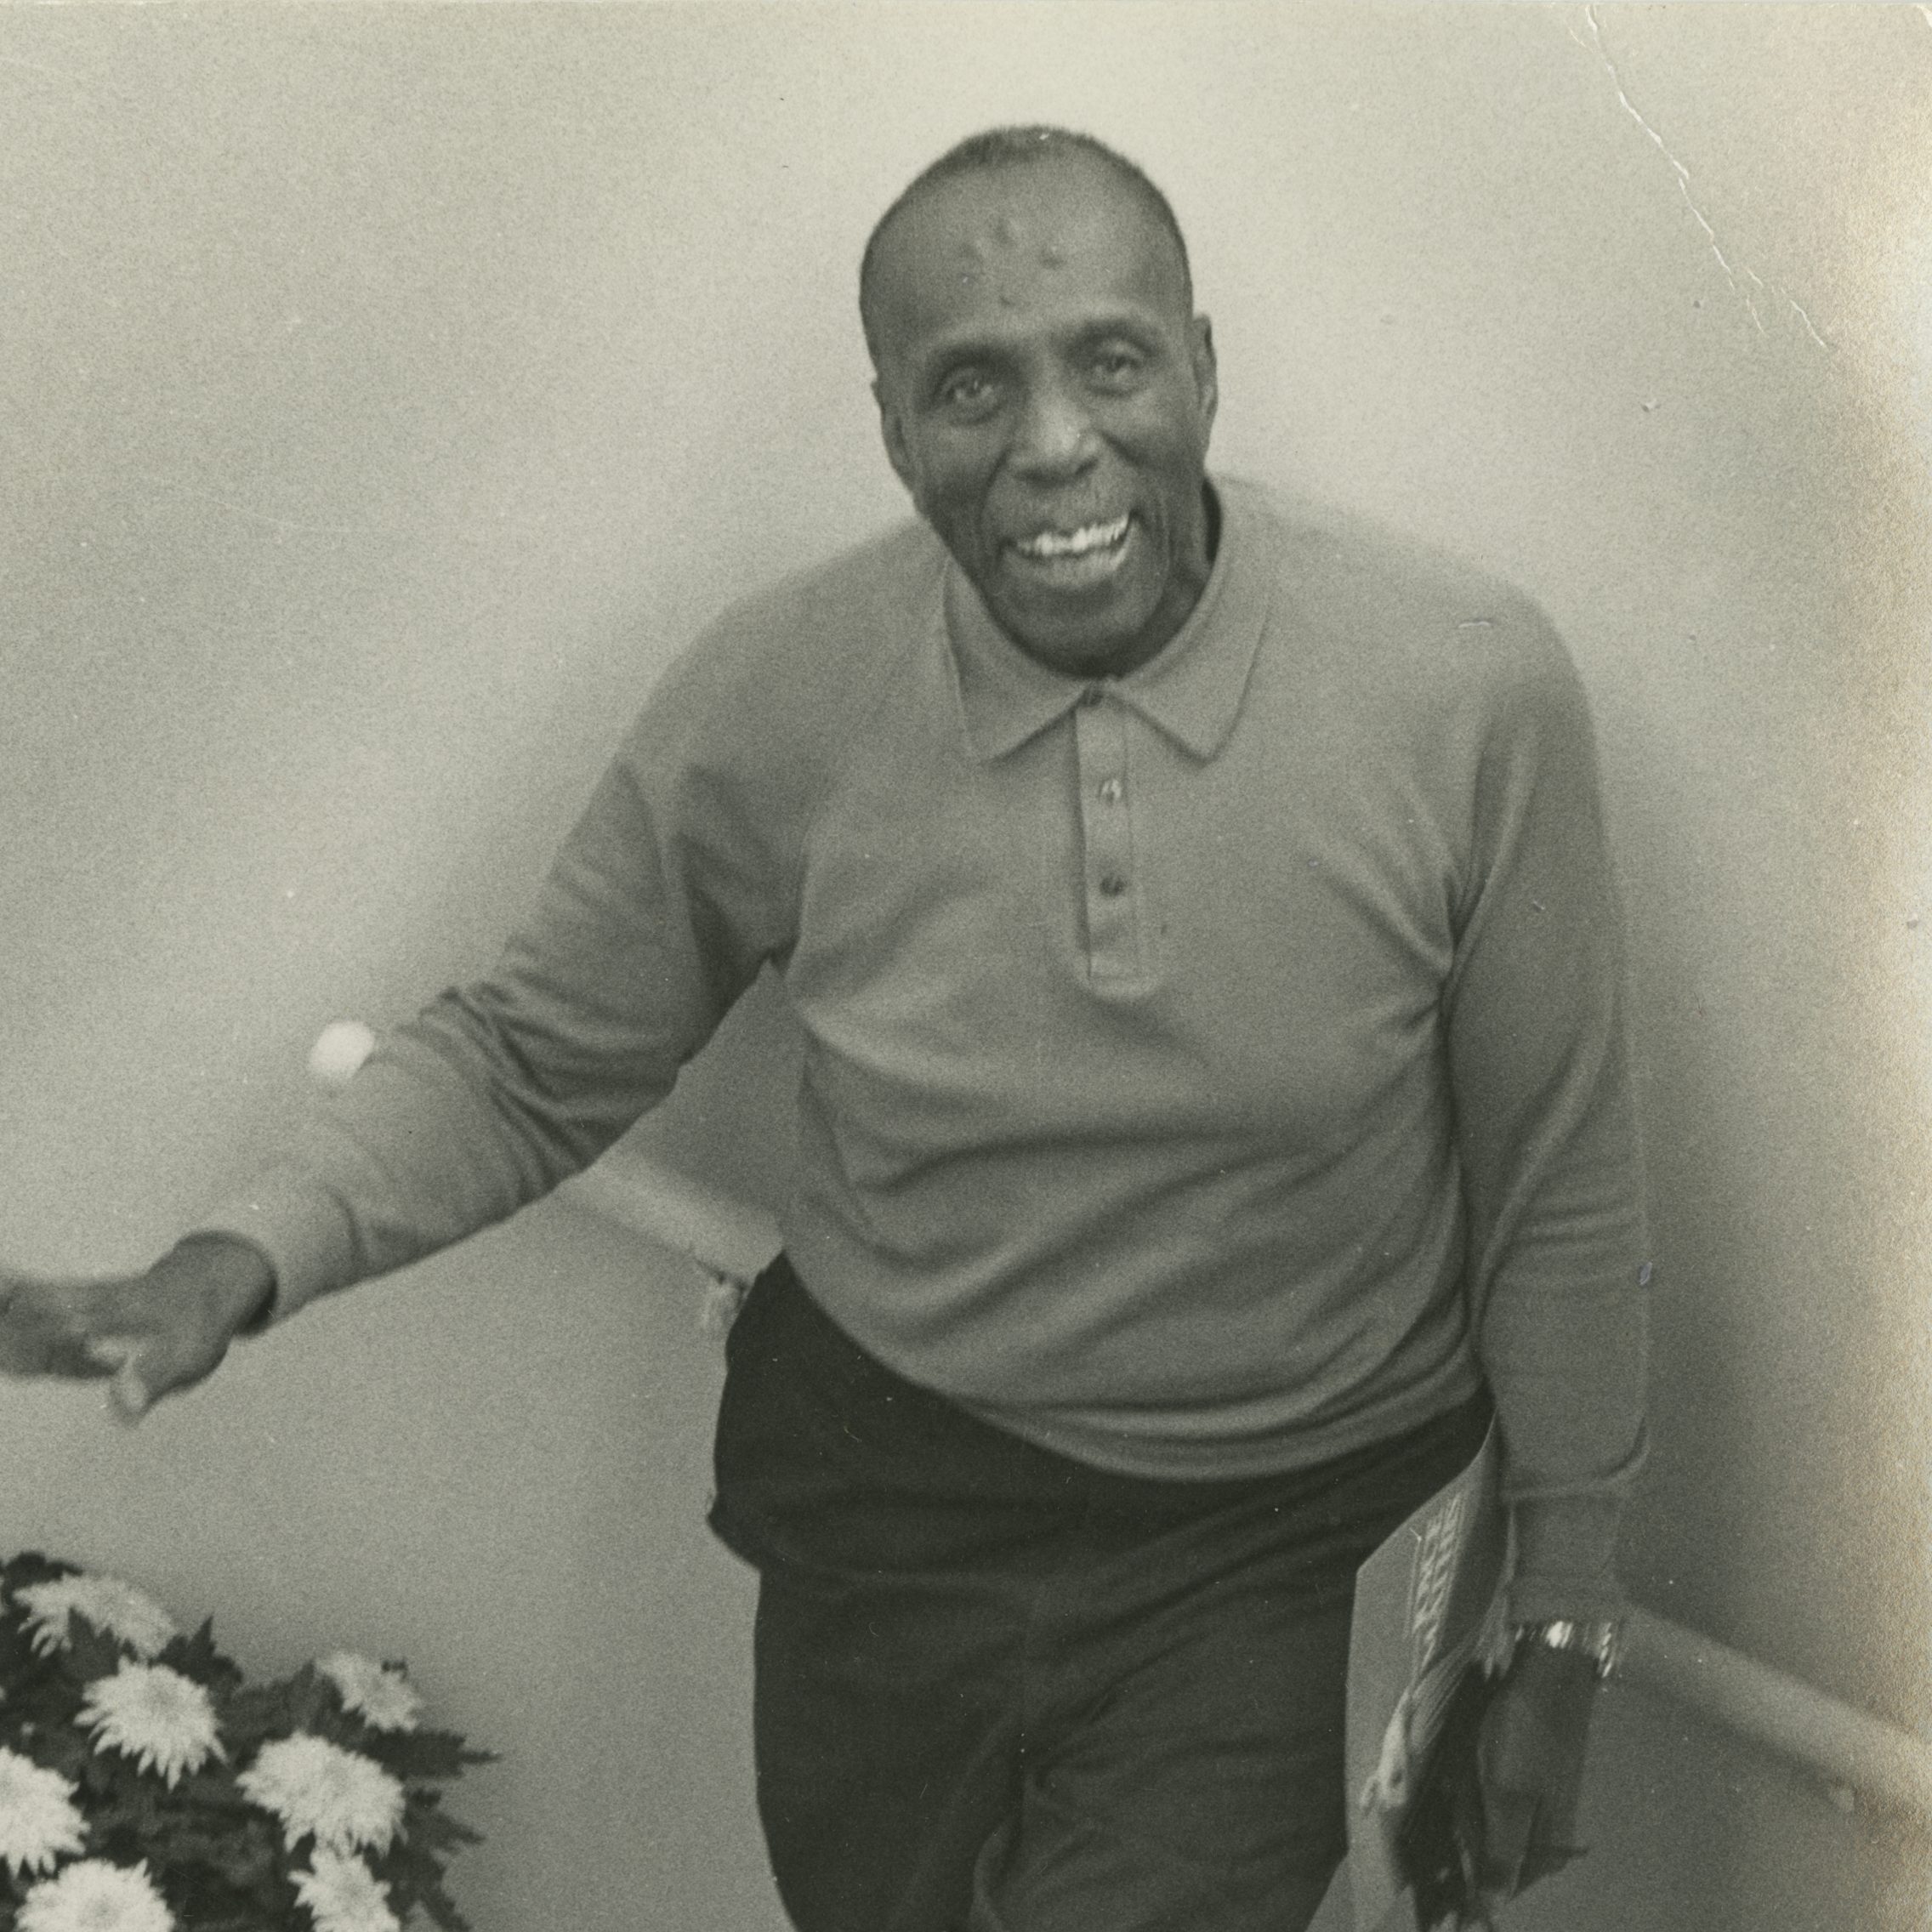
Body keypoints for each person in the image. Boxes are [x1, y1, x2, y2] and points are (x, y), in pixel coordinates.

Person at [1, 127, 1649, 1931]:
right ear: (888, 428)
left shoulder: (1464, 686)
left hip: (1275, 1544)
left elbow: (1557, 1185)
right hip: (887, 1509)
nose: (1049, 445)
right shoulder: (778, 691)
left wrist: (1560, 1603)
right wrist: (242, 1256)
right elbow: (530, 1054)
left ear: (1198, 365)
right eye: (968, 387)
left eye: (1107, 358)